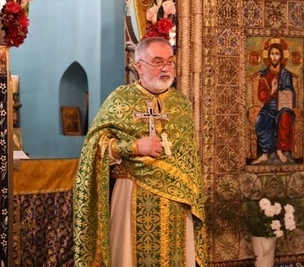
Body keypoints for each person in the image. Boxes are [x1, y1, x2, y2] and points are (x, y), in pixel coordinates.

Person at [72, 37, 207, 267]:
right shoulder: (120, 100)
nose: (165, 68)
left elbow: (189, 159)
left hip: (176, 202)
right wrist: (134, 147)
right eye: (157, 61)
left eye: (170, 61)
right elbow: (94, 147)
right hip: (131, 195)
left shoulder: (181, 104)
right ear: (139, 66)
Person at [252, 42, 296, 164]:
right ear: (269, 56)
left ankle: (279, 150)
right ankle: (265, 153)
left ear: (281, 56)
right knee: (260, 121)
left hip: (283, 106)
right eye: (272, 54)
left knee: (285, 117)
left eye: (277, 54)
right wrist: (271, 90)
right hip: (269, 105)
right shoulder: (264, 74)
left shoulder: (285, 74)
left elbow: (290, 91)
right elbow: (261, 96)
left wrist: (284, 92)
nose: (274, 57)